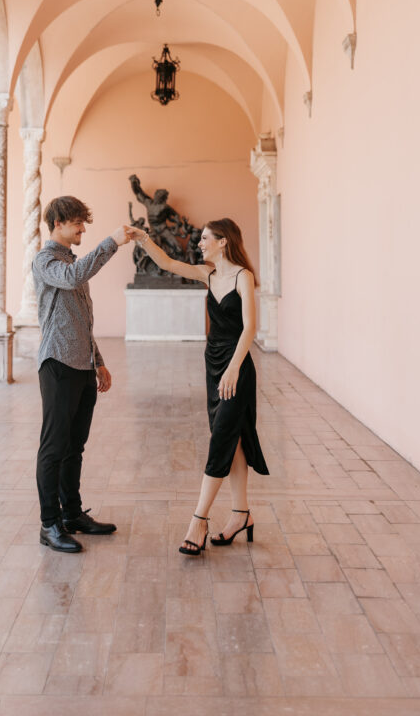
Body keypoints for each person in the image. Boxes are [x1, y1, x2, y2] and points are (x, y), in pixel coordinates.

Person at [129, 217, 269, 554]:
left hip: (236, 367)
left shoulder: (243, 277)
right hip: (213, 363)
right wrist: (142, 238)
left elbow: (250, 327)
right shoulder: (207, 274)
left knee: (221, 438)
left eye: (206, 238)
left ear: (224, 241)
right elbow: (167, 262)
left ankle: (199, 519)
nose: (200, 243)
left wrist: (235, 368)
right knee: (231, 438)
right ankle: (240, 514)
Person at [32, 195, 132, 553]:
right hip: (57, 365)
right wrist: (112, 243)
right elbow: (74, 277)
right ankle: (49, 524)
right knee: (54, 448)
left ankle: (72, 515)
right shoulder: (46, 261)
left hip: (82, 365)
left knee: (75, 448)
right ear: (58, 223)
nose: (83, 229)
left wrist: (98, 360)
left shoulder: (72, 261)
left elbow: (79, 322)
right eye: (77, 223)